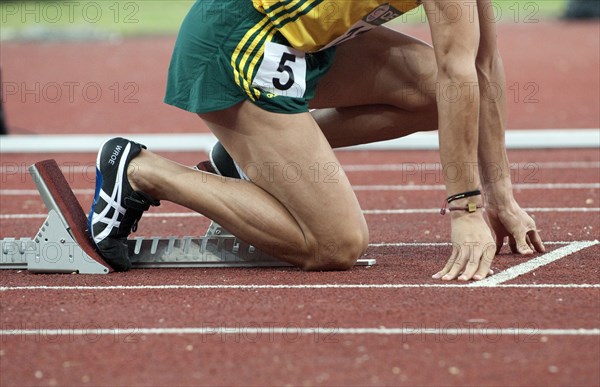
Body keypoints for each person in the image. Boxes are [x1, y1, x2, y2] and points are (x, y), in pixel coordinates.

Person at [89, 0, 545, 278]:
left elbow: (483, 65)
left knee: (433, 95)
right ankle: (141, 171)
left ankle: (250, 159)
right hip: (234, 41)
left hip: (305, 45)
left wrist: (501, 198)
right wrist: (465, 208)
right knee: (336, 245)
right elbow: (456, 71)